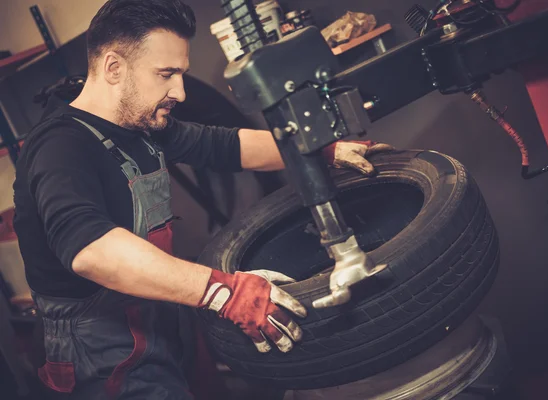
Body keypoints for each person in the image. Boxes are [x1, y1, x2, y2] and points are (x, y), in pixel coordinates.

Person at [12, 0, 392, 398]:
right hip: (94, 347)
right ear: (113, 68)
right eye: (166, 74)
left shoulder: (142, 124)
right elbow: (91, 251)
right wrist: (222, 291)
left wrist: (319, 151)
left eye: (181, 74)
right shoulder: (59, 147)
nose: (178, 90)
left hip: (153, 309)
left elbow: (225, 145)